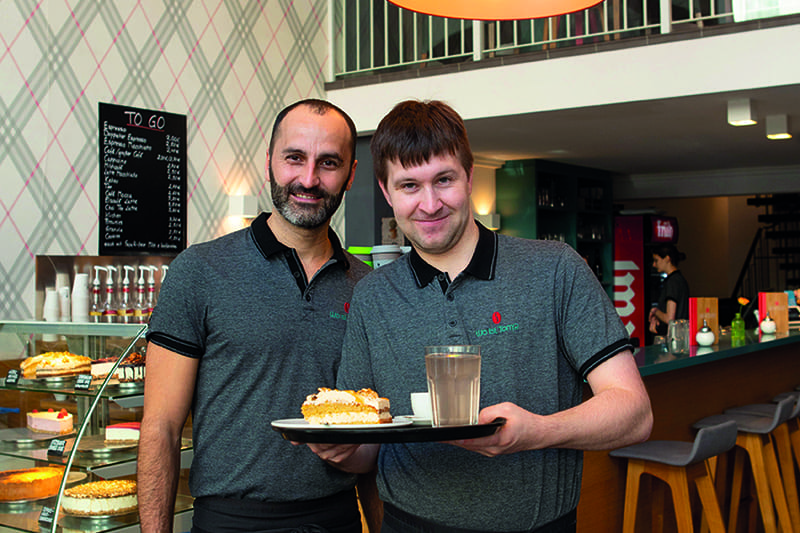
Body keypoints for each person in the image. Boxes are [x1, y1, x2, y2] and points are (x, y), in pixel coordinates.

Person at [309, 100, 653, 532]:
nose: (429, 204)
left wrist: (536, 432)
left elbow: (634, 413)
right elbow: (367, 450)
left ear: (470, 177)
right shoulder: (372, 296)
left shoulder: (554, 269)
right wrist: (337, 448)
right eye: (410, 186)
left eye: (444, 180)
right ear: (386, 191)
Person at [138, 99, 372, 533]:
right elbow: (161, 429)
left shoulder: (368, 287)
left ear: (351, 174)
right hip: (230, 521)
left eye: (329, 163)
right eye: (294, 158)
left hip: (336, 519)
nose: (308, 179)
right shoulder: (200, 270)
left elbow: (376, 440)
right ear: (269, 162)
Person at [648, 244, 689, 336]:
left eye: (656, 260)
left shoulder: (672, 282)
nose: (654, 265)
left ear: (667, 258)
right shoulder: (680, 280)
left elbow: (669, 318)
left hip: (673, 337)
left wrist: (655, 311)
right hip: (682, 335)